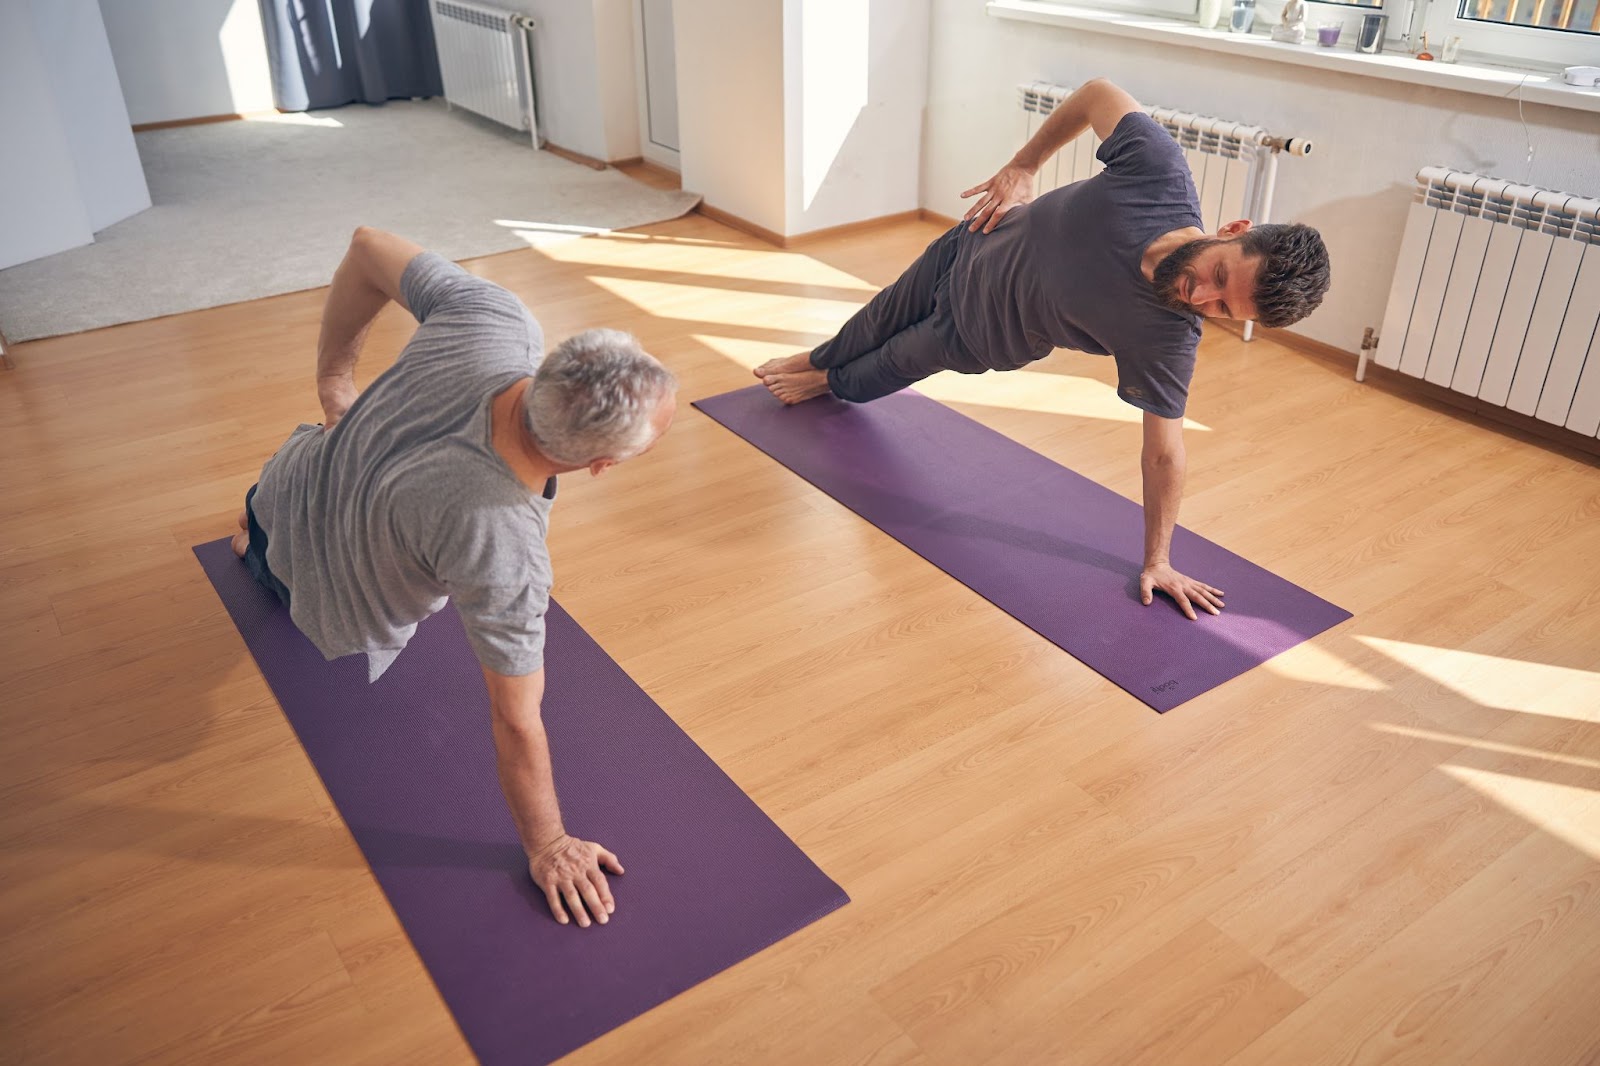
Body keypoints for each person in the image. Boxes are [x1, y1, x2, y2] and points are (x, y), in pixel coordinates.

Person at [754, 78, 1330, 621]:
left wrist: (1158, 560)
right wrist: (1025, 163)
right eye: (1218, 274)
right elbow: (1097, 94)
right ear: (1233, 229)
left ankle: (830, 381)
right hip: (972, 243)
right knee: (878, 314)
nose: (1200, 295)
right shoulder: (1157, 175)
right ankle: (819, 361)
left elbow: (1164, 454)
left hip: (976, 333)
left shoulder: (1167, 338)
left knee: (885, 364)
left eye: (1223, 309)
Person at [232, 227, 677, 929]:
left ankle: (251, 536)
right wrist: (549, 843)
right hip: (314, 589)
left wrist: (333, 380)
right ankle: (256, 553)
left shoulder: (492, 319)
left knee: (260, 528)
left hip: (287, 483)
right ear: (600, 466)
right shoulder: (502, 544)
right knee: (273, 572)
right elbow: (515, 718)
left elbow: (366, 246)